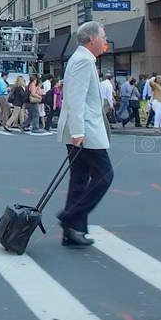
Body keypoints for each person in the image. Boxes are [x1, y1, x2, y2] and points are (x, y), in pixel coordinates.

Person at [57, 22, 114, 248]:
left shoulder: (83, 59)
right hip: (85, 131)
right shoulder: (82, 61)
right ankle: (69, 217)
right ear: (92, 39)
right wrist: (78, 131)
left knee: (79, 180)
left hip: (82, 129)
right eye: (103, 37)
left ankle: (73, 231)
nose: (105, 41)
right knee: (104, 176)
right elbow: (75, 98)